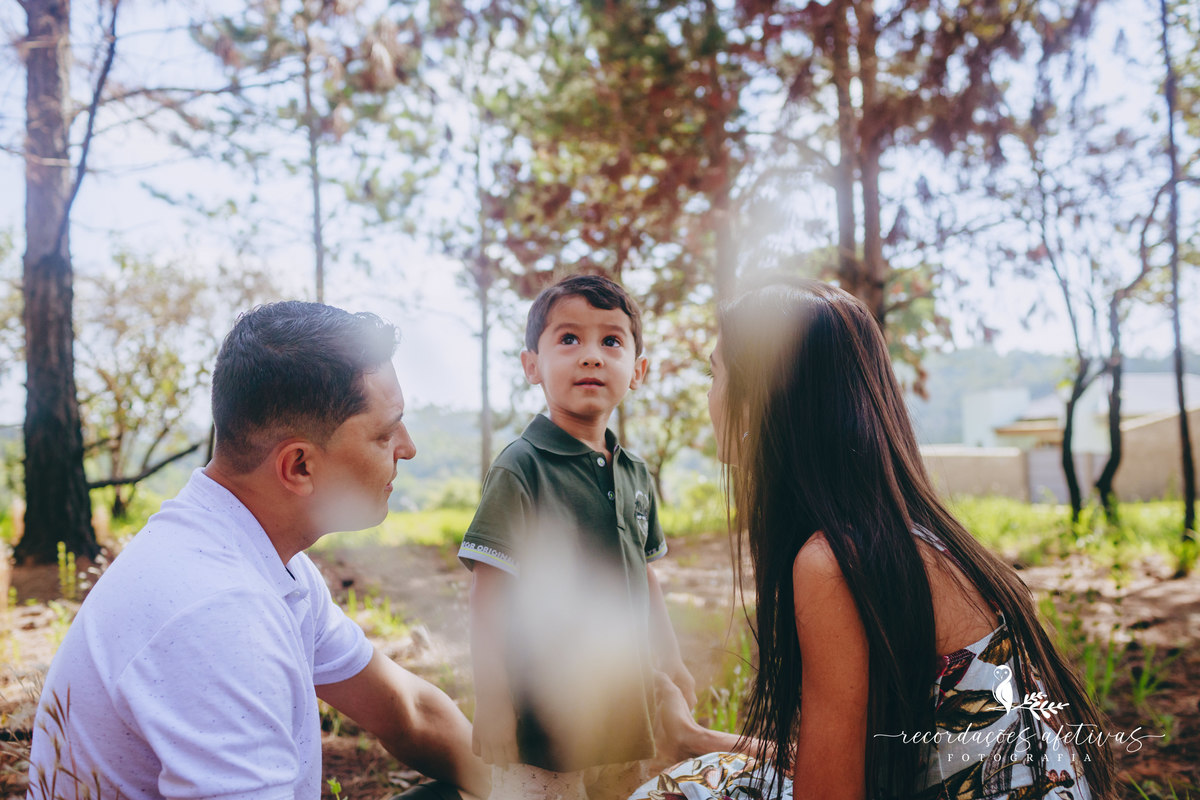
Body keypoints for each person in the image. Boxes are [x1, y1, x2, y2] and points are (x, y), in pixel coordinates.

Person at [633, 277, 1116, 800]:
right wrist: (696, 739)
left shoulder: (835, 562)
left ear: (762, 400)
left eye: (715, 373)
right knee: (712, 773)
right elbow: (866, 760)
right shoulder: (899, 534)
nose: (710, 395)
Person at [25, 301, 491, 800]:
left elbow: (408, 712)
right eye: (384, 433)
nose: (408, 447)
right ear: (299, 466)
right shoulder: (221, 612)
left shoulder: (261, 558)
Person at [458, 275, 695, 800]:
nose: (591, 355)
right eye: (568, 338)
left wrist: (671, 659)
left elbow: (645, 575)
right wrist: (493, 701)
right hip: (540, 719)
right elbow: (488, 594)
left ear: (637, 371)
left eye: (611, 341)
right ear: (532, 366)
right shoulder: (521, 468)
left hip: (622, 710)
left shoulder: (635, 472)